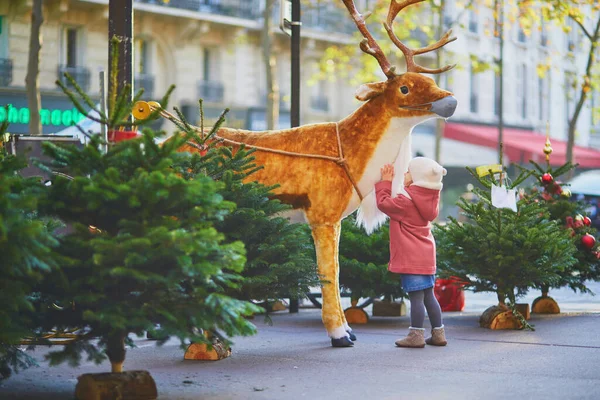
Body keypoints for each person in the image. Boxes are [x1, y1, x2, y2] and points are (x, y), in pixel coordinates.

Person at [375, 157, 447, 348]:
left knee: (416, 297)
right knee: (429, 296)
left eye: (407, 171)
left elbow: (383, 203)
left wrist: (385, 182)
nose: (404, 174)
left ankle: (416, 335)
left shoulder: (405, 202)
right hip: (426, 256)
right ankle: (438, 333)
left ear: (416, 178)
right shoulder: (430, 200)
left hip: (412, 258)